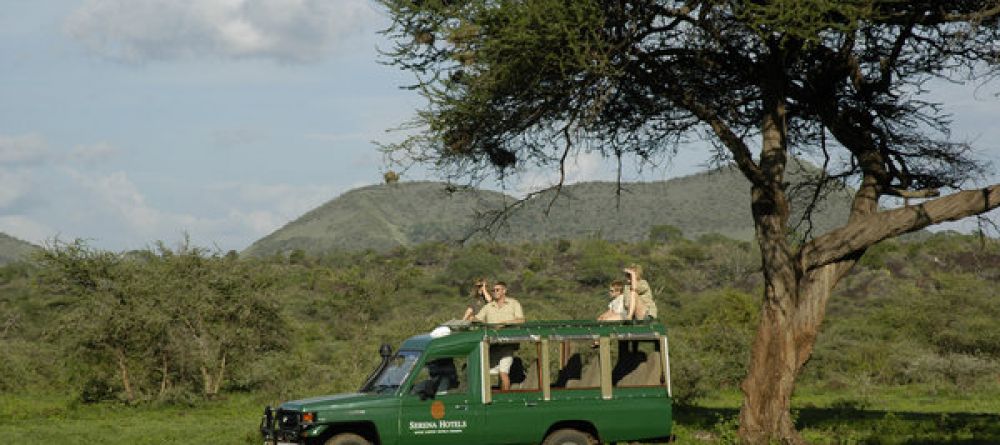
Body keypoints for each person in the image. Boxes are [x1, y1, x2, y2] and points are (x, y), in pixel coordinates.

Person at [474, 281, 524, 390]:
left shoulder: (514, 303)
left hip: (507, 346)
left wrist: (505, 323)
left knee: (503, 373)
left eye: (497, 290)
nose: (495, 292)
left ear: (504, 291)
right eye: (493, 290)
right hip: (492, 346)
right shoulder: (489, 306)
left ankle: (505, 397)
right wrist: (468, 319)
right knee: (481, 371)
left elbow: (520, 320)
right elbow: (477, 319)